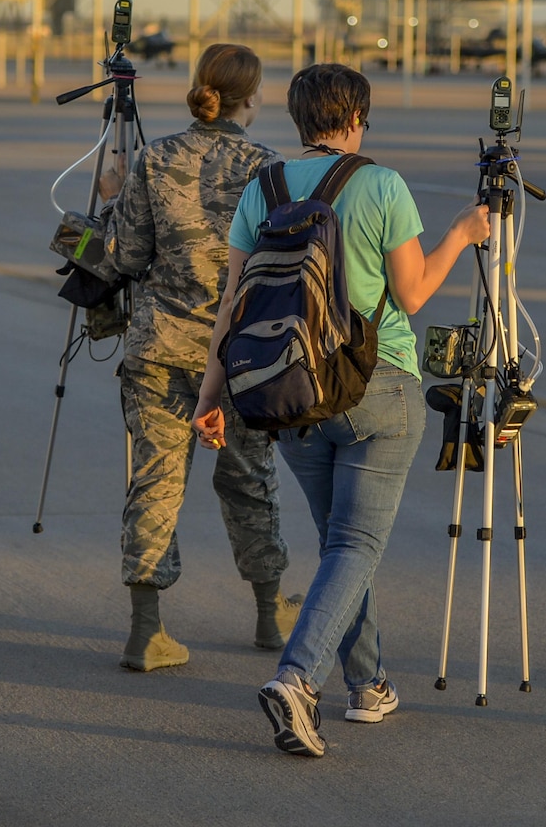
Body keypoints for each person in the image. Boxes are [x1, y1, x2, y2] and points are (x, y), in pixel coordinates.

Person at [192, 64, 491, 757]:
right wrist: (462, 232)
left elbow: (232, 307)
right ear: (356, 118)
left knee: (342, 549)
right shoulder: (381, 183)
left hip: (289, 393)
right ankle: (298, 681)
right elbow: (413, 295)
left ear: (299, 121)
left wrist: (211, 399)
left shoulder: (262, 188)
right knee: (355, 546)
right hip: (376, 385)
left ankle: (369, 683)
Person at [96, 44, 304, 670]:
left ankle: (146, 630)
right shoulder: (270, 170)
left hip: (159, 349)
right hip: (243, 356)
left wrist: (107, 208)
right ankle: (270, 613)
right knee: (250, 478)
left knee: (155, 482)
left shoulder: (155, 158)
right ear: (252, 97)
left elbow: (124, 257)